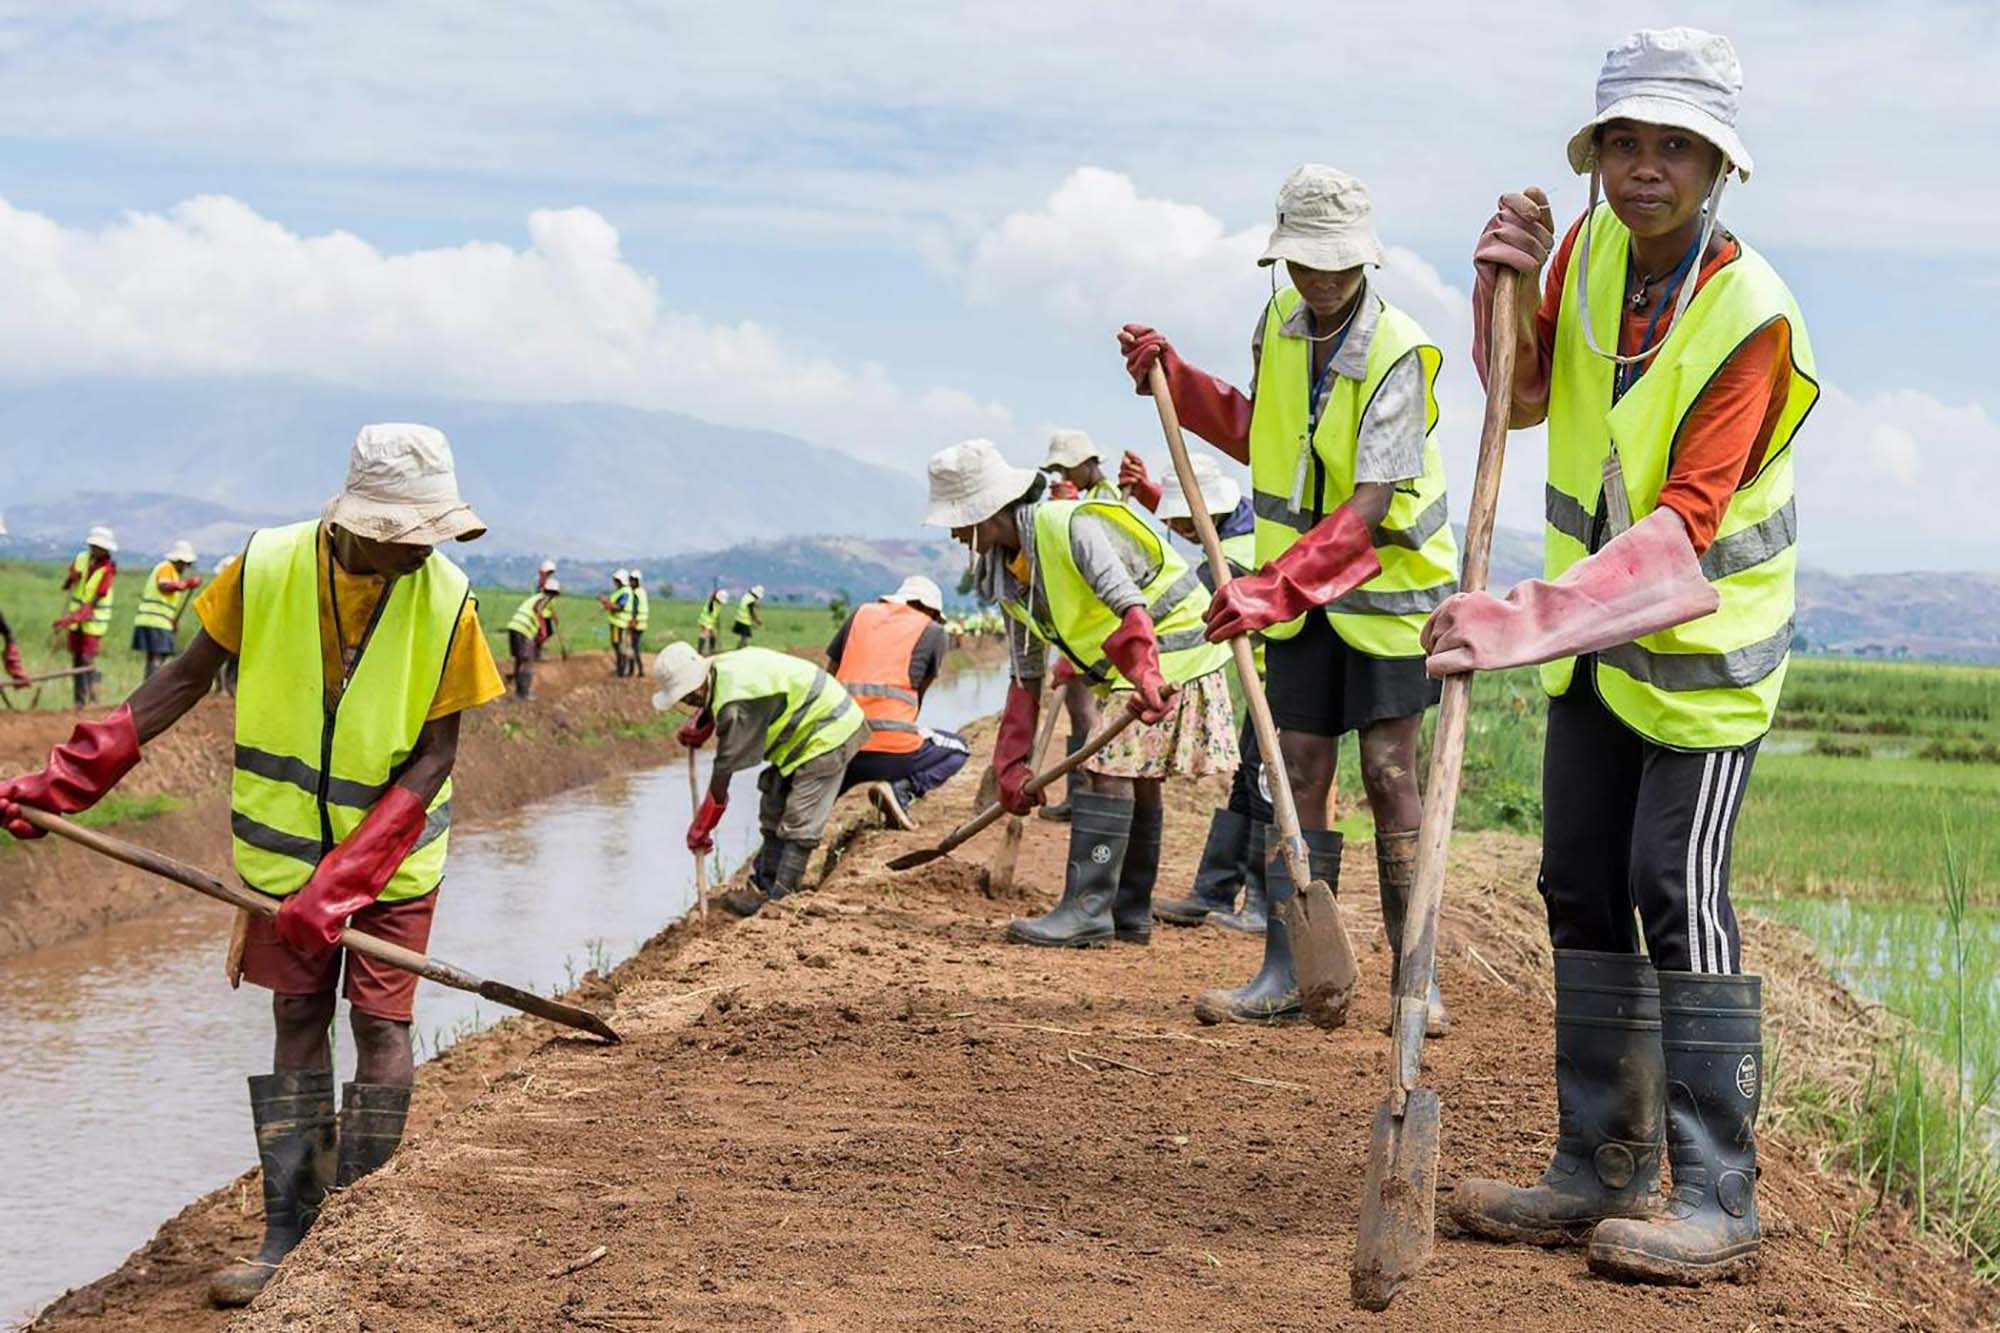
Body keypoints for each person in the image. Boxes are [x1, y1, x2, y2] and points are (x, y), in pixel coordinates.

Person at [1430, 29, 1816, 1286]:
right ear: (1592, 153)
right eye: (1624, 143)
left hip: (1700, 659)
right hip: (1594, 660)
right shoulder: (1590, 253)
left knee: (1672, 888)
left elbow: (1677, 538)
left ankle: (1715, 1191)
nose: (1643, 168)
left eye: (1674, 148)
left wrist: (1514, 619)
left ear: (1715, 169)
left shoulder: (1748, 315)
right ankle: (1592, 1164)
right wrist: (1498, 287)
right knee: (1577, 883)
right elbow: (1522, 398)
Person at [0, 424, 502, 1307]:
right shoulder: (266, 567)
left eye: (434, 531)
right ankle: (287, 1230)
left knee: (381, 1028)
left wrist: (345, 882)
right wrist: (68, 780)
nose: (424, 546)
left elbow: (433, 758)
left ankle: (357, 1230)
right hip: (278, 861)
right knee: (298, 1015)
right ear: (361, 521)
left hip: (394, 864)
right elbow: (181, 681)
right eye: (410, 532)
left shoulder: (448, 598)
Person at [1119, 163, 1458, 1030]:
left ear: (1365, 261)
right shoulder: (1277, 322)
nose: (1320, 279)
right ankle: (1294, 968)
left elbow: (1370, 504)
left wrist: (1272, 588)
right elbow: (1257, 427)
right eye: (1304, 262)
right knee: (1293, 767)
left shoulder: (1397, 352)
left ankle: (1414, 980)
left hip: (1387, 590)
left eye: (1336, 263)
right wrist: (1178, 381)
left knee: (1388, 773)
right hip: (1298, 591)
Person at [926, 438, 1237, 948]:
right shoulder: (1009, 573)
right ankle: (1128, 912)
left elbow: (1129, 604)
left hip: (1170, 645)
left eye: (959, 521)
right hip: (1138, 658)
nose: (957, 533)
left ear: (986, 511)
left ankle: (1090, 908)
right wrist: (1011, 765)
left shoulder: (1067, 525)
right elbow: (1024, 676)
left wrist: (1146, 674)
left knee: (1106, 769)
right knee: (1132, 776)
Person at [1119, 451, 1271, 932]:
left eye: (1184, 521)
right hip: (1264, 684)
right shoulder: (1232, 529)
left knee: (1268, 784)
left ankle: (1265, 906)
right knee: (1248, 782)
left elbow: (1198, 613)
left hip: (1284, 679)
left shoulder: (1237, 555)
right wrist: (1146, 494)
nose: (1181, 531)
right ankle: (1215, 894)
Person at [655, 640, 866, 917]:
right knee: (773, 799)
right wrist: (703, 723)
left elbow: (723, 774)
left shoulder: (736, 706)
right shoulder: (719, 667)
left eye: (688, 698)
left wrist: (702, 826)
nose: (687, 703)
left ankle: (782, 901)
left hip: (829, 729)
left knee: (799, 817)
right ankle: (766, 885)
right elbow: (716, 700)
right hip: (803, 729)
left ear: (696, 687)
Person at [827, 574, 971, 829]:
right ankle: (902, 789)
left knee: (803, 813)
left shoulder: (860, 614)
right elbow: (917, 700)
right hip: (892, 752)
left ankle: (767, 867)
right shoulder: (934, 632)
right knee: (960, 748)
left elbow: (828, 677)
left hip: (839, 747)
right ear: (928, 608)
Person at [1035, 429, 1117, 820]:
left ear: (1087, 464)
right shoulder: (1092, 500)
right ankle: (1081, 795)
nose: (1061, 477)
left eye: (1066, 468)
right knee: (1079, 706)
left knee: (1085, 710)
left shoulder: (1101, 504)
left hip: (1100, 629)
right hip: (1092, 628)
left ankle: (1083, 796)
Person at [55, 526, 118, 706]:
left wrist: (72, 618)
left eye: (98, 546)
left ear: (106, 549)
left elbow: (97, 598)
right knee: (76, 657)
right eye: (92, 545)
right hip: (77, 619)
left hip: (93, 620)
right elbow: (68, 583)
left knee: (87, 658)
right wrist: (71, 578)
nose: (93, 549)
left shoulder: (107, 569)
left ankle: (94, 701)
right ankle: (79, 702)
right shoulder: (81, 559)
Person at [131, 539, 202, 679]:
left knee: (155, 656)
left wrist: (172, 621)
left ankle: (148, 687)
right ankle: (150, 689)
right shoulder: (166, 567)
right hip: (154, 620)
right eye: (185, 564)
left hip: (158, 621)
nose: (186, 567)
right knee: (158, 655)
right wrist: (185, 584)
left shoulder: (172, 572)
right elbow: (164, 586)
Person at [505, 577, 561, 699]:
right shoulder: (544, 599)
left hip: (515, 627)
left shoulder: (536, 597)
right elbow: (538, 609)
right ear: (555, 593)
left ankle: (519, 692)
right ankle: (524, 693)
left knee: (520, 660)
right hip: (524, 630)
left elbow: (542, 611)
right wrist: (541, 628)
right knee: (528, 661)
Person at [599, 570, 633, 676]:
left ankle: (621, 670)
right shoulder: (621, 591)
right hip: (617, 623)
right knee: (619, 646)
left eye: (616, 580)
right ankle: (624, 669)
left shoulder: (625, 592)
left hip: (619, 624)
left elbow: (619, 606)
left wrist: (605, 602)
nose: (614, 582)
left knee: (619, 646)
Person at [627, 569, 649, 675]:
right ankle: (637, 670)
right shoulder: (642, 592)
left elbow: (635, 609)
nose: (630, 583)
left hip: (636, 623)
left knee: (633, 647)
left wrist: (633, 621)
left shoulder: (636, 593)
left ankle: (636, 670)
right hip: (642, 623)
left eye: (632, 581)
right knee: (635, 647)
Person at [697, 587, 730, 656]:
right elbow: (711, 611)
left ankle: (711, 649)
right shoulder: (712, 603)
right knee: (705, 634)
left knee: (713, 635)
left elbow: (715, 614)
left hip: (710, 622)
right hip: (706, 621)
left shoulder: (717, 604)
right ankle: (700, 651)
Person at [733, 583, 765, 648]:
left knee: (744, 638)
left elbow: (747, 605)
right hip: (744, 621)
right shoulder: (751, 600)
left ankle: (741, 646)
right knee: (744, 639)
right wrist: (758, 621)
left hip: (739, 619)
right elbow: (752, 613)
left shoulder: (747, 596)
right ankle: (741, 648)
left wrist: (755, 605)